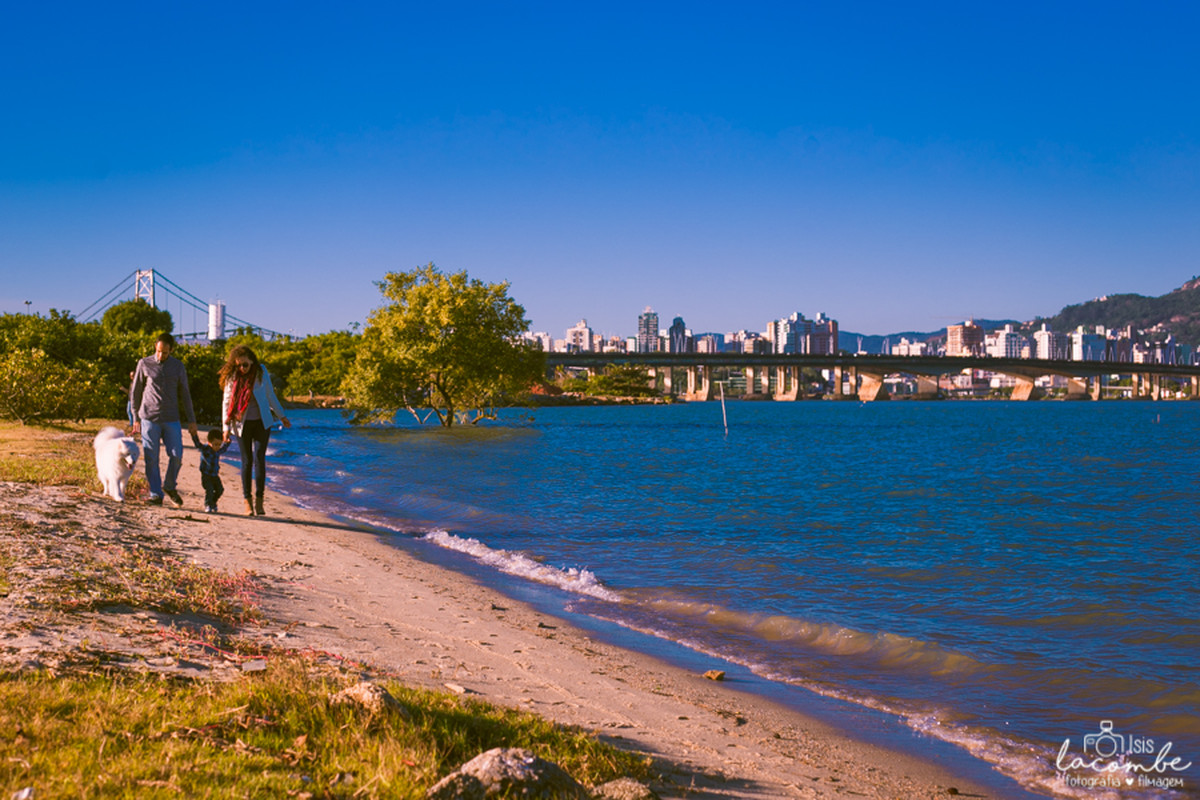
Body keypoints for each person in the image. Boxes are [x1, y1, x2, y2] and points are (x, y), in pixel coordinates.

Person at [219, 345, 291, 516]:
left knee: (259, 458)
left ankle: (259, 501)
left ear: (252, 362)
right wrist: (225, 428)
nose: (242, 369)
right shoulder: (232, 376)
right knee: (246, 461)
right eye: (239, 365)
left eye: (245, 365)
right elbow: (227, 402)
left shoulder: (261, 372)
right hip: (241, 424)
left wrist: (282, 416)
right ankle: (247, 502)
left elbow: (270, 395)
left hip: (262, 422)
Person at [130, 333, 198, 507]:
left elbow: (186, 394)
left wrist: (192, 420)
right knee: (151, 458)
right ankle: (155, 494)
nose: (161, 356)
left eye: (165, 353)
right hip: (148, 417)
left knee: (176, 456)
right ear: (155, 347)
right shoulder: (144, 363)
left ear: (171, 350)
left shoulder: (178, 366)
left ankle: (169, 485)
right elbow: (136, 391)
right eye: (159, 351)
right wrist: (135, 417)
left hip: (171, 418)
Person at [190, 428, 231, 513]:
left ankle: (213, 503)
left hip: (215, 475)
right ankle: (208, 504)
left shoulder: (218, 450)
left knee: (220, 489)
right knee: (209, 489)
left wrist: (227, 442)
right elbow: (198, 444)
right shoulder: (206, 449)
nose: (217, 447)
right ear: (209, 442)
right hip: (206, 475)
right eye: (215, 444)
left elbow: (224, 448)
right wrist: (194, 435)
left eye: (219, 444)